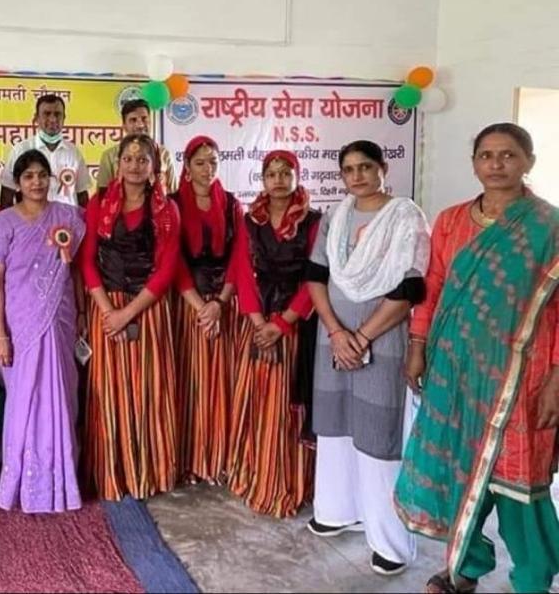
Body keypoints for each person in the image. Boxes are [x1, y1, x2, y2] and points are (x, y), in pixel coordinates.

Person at [394, 123, 559, 594]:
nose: (496, 164)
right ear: (474, 164)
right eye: (486, 155)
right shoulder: (450, 221)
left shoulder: (550, 226)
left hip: (522, 376)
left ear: (528, 161)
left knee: (518, 480)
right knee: (458, 469)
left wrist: (557, 377)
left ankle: (533, 579)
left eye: (508, 155)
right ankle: (466, 566)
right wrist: (417, 346)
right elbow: (433, 287)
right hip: (454, 370)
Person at [304, 139, 430, 577]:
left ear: (382, 169)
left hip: (383, 340)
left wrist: (361, 337)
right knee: (335, 425)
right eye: (349, 169)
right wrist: (338, 332)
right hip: (333, 337)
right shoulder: (335, 216)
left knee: (379, 436)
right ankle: (338, 510)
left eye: (365, 167)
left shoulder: (405, 217)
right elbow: (315, 275)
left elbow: (410, 288)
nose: (357, 176)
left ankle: (390, 542)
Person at [79, 134, 181, 500]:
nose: (135, 165)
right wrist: (110, 312)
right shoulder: (98, 204)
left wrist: (129, 313)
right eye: (129, 158)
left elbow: (167, 270)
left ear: (154, 167)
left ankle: (147, 474)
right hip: (106, 308)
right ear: (117, 163)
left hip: (148, 310)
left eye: (143, 159)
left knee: (148, 392)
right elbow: (87, 262)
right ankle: (111, 474)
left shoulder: (167, 209)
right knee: (109, 393)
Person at [0, 150, 87, 513]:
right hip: (20, 324)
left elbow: (76, 271)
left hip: (60, 319)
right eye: (28, 176)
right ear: (17, 182)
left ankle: (61, 483)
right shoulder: (5, 223)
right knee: (24, 400)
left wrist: (81, 312)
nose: (37, 182)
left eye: (42, 175)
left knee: (62, 395)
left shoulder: (68, 217)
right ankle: (24, 485)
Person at [228, 150, 321, 518]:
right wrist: (258, 323)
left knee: (286, 408)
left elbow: (314, 278)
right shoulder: (251, 220)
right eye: (272, 173)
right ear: (263, 179)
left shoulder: (313, 221)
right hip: (255, 323)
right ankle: (254, 474)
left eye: (286, 173)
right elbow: (242, 270)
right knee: (254, 402)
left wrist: (281, 324)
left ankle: (288, 483)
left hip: (295, 324)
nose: (279, 180)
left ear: (296, 177)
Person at [169, 135, 256, 484]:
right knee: (189, 382)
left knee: (220, 383)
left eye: (213, 163)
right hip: (186, 304)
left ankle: (219, 460)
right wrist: (200, 306)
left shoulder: (232, 205)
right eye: (200, 163)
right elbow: (172, 260)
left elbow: (240, 258)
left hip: (223, 303)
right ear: (187, 168)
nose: (208, 169)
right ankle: (188, 461)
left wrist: (219, 303)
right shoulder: (173, 204)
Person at [0, 93, 91, 209]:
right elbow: (7, 195)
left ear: (64, 118)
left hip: (68, 218)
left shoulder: (74, 153)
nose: (53, 119)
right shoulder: (20, 150)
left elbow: (82, 195)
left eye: (57, 114)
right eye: (47, 114)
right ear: (36, 118)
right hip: (32, 218)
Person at [95, 98, 177, 193]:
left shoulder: (164, 153)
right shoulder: (110, 156)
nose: (140, 125)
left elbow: (174, 192)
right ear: (124, 126)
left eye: (144, 119)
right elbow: (103, 193)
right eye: (133, 120)